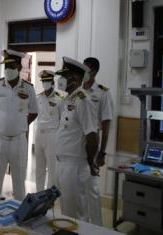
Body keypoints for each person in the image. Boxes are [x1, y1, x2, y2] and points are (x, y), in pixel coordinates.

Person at [0, 49, 38, 205]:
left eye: (11, 66)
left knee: (19, 184)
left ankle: (18, 218)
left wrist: (21, 123)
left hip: (19, 141)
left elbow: (34, 111)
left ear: (19, 68)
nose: (8, 69)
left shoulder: (28, 88)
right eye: (6, 66)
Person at [54, 56, 98, 220]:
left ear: (76, 78)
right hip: (63, 164)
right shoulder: (67, 100)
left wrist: (91, 162)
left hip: (75, 166)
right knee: (67, 212)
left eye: (64, 75)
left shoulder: (83, 101)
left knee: (76, 215)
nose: (61, 79)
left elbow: (92, 136)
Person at [83, 57, 114, 226]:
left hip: (93, 145)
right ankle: (81, 224)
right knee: (79, 189)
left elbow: (106, 124)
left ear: (93, 72)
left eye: (85, 69)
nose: (82, 73)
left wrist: (102, 152)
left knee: (92, 189)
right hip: (76, 145)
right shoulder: (77, 91)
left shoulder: (102, 93)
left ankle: (96, 227)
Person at [35, 70, 63, 192]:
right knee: (39, 167)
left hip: (53, 135)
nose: (45, 83)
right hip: (39, 134)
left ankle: (49, 195)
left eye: (47, 81)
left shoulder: (60, 98)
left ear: (52, 82)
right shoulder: (38, 97)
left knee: (52, 167)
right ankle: (39, 193)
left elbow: (62, 120)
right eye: (43, 81)